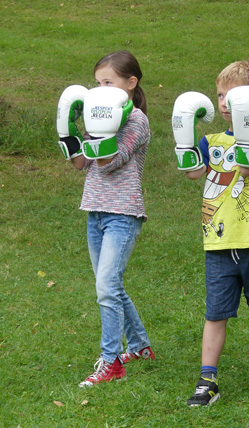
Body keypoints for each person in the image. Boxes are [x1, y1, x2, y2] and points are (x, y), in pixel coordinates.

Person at [172, 60, 249, 407]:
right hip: (218, 243)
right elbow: (194, 174)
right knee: (215, 312)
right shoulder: (212, 140)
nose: (222, 102)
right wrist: (185, 137)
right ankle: (208, 379)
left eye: (231, 97)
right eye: (220, 95)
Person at [56, 50, 155, 388]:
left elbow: (109, 161)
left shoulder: (137, 120)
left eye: (108, 82)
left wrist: (98, 128)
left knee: (106, 287)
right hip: (95, 211)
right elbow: (82, 164)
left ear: (130, 83)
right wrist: (69, 134)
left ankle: (111, 361)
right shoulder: (99, 117)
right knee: (110, 286)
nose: (100, 90)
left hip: (123, 214)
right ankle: (140, 347)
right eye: (97, 83)